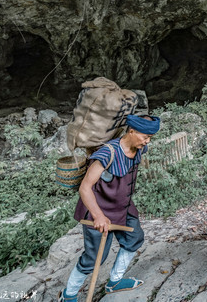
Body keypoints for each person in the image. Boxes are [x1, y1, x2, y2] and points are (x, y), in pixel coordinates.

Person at [59, 114, 161, 301]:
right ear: (132, 131)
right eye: (145, 137)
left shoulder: (139, 149)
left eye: (149, 138)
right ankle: (68, 295)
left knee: (134, 238)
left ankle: (114, 282)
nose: (147, 142)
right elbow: (85, 188)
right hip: (98, 209)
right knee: (94, 257)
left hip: (124, 207)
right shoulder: (107, 154)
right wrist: (98, 216)